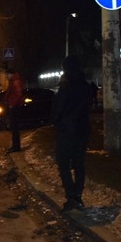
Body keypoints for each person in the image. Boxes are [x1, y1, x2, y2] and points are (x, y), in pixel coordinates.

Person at [50, 55, 92, 211]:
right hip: (82, 129)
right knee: (79, 163)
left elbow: (58, 107)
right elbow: (87, 106)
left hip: (67, 130)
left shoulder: (65, 85)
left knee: (63, 163)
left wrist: (55, 120)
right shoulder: (85, 85)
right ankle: (78, 195)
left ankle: (71, 194)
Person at [4, 68, 25, 153]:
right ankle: (15, 146)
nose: (6, 76)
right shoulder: (13, 81)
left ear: (11, 74)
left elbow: (18, 94)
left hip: (14, 107)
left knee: (14, 128)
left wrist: (12, 104)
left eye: (7, 74)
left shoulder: (16, 82)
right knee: (13, 128)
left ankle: (16, 147)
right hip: (13, 106)